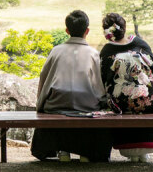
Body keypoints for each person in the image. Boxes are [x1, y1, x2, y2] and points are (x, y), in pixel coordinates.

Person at [30, 10, 113, 163]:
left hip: (56, 104)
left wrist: (40, 104)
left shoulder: (56, 51)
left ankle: (63, 150)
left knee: (61, 107)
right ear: (87, 31)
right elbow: (99, 87)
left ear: (67, 31)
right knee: (93, 108)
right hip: (86, 106)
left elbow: (44, 79)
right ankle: (86, 152)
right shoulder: (93, 53)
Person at [99, 12, 153, 162]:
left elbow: (104, 79)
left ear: (107, 32)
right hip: (150, 102)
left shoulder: (107, 51)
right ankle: (145, 151)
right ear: (124, 27)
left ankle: (131, 151)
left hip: (123, 105)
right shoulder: (140, 44)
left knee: (116, 96)